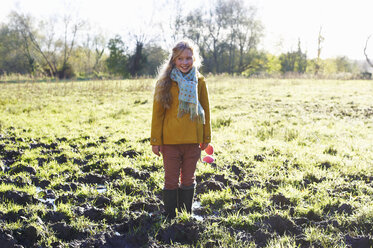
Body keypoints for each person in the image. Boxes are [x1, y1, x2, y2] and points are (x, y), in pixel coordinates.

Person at [151, 40, 211, 219]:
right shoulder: (165, 82)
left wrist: (206, 136)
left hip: (193, 140)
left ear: (194, 59)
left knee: (188, 179)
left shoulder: (199, 81)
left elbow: (205, 111)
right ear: (173, 60)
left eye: (188, 58)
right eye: (180, 59)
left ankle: (186, 215)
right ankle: (170, 216)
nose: (185, 62)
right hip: (170, 141)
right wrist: (156, 141)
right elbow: (158, 114)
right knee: (170, 180)